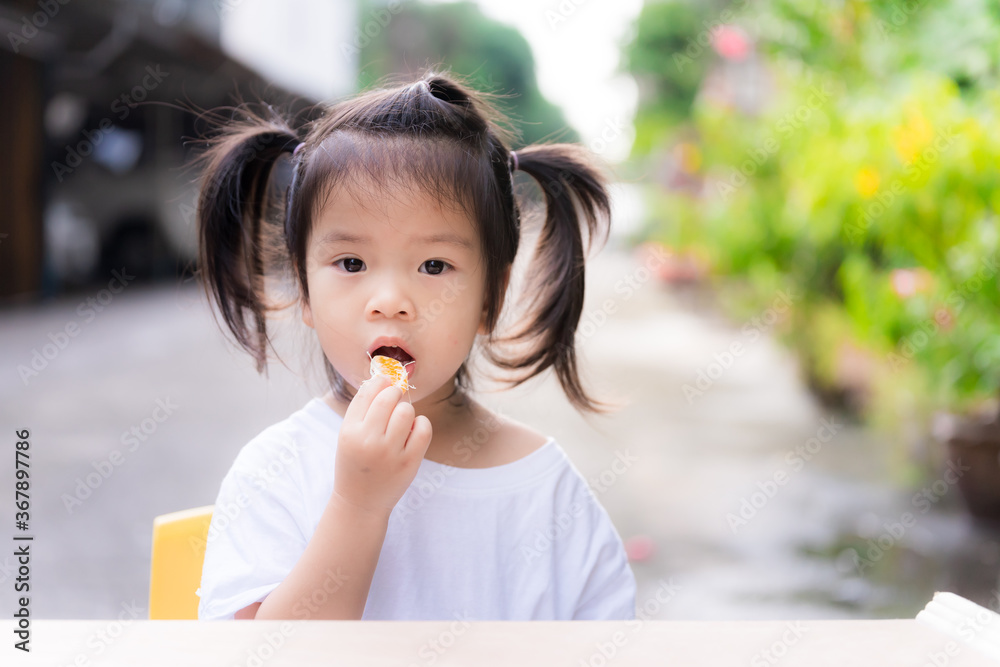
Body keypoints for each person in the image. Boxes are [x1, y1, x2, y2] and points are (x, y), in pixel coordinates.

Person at [193, 69, 637, 621]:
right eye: (351, 263)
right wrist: (358, 506)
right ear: (304, 290)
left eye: (434, 265)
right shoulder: (276, 470)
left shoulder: (546, 491)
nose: (391, 301)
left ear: (490, 299)